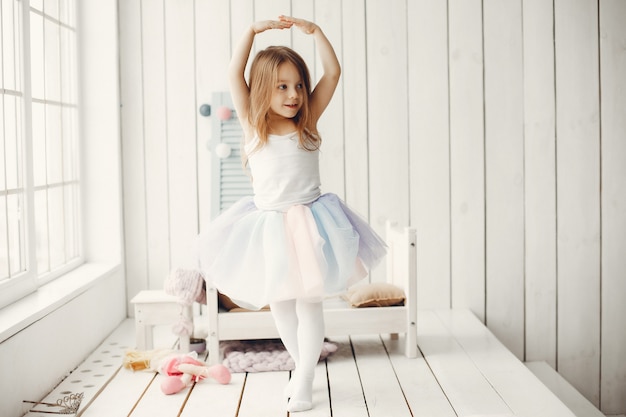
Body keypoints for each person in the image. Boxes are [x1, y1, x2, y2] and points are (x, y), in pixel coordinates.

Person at [197, 15, 387, 412]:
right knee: (282, 306)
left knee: (310, 304)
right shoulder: (253, 126)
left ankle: (303, 378)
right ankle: (302, 367)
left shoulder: (307, 122)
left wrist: (316, 33)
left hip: (312, 225)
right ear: (263, 90)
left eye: (298, 85)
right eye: (282, 86)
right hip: (269, 227)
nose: (294, 94)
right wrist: (251, 32)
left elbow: (333, 73)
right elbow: (235, 71)